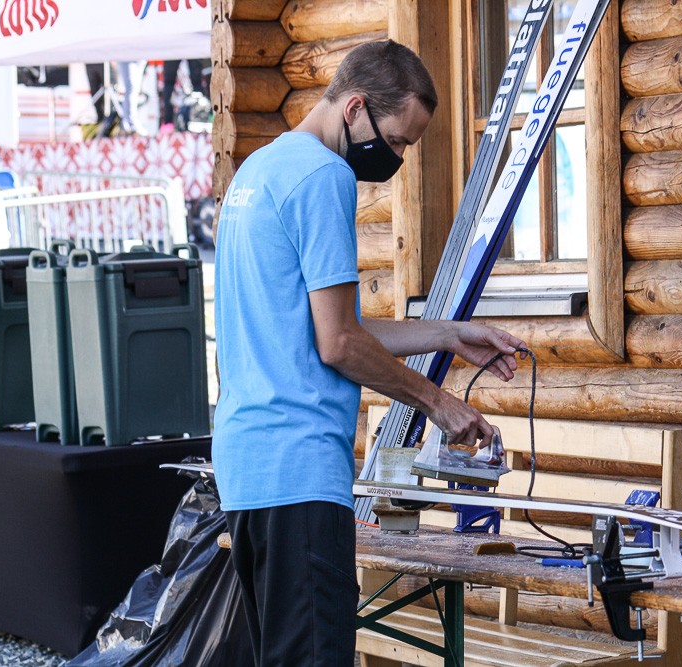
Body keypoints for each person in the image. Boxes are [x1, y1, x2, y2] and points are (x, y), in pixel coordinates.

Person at [213, 40, 526, 666]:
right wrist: (439, 404)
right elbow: (339, 344)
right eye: (398, 140)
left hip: (247, 471)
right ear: (355, 108)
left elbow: (324, 326)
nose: (398, 158)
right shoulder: (324, 176)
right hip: (299, 473)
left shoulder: (259, 171)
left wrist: (446, 334)